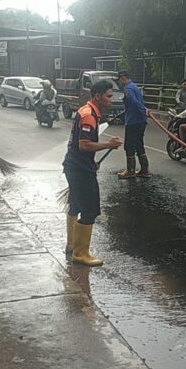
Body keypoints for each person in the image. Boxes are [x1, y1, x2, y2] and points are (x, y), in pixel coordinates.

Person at [63, 80, 123, 266]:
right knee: (89, 210)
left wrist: (92, 161)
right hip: (79, 170)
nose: (111, 100)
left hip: (75, 165)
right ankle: (80, 254)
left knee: (74, 205)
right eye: (108, 96)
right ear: (97, 96)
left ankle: (71, 246)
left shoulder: (86, 111)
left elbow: (78, 145)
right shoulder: (89, 116)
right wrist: (108, 144)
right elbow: (84, 145)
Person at [117, 70, 151, 179]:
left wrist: (142, 110)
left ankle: (130, 171)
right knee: (139, 144)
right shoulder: (135, 86)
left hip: (133, 121)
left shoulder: (128, 88)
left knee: (129, 145)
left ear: (123, 78)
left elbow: (133, 102)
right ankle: (145, 169)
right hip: (140, 120)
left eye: (119, 79)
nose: (119, 82)